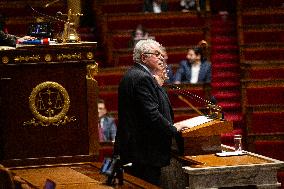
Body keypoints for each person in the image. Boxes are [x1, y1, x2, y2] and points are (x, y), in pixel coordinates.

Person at [114, 39, 189, 186]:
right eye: (156, 54)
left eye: (161, 54)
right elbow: (151, 115)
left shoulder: (134, 74)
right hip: (143, 153)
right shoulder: (142, 78)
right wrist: (173, 129)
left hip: (137, 151)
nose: (161, 57)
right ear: (144, 57)